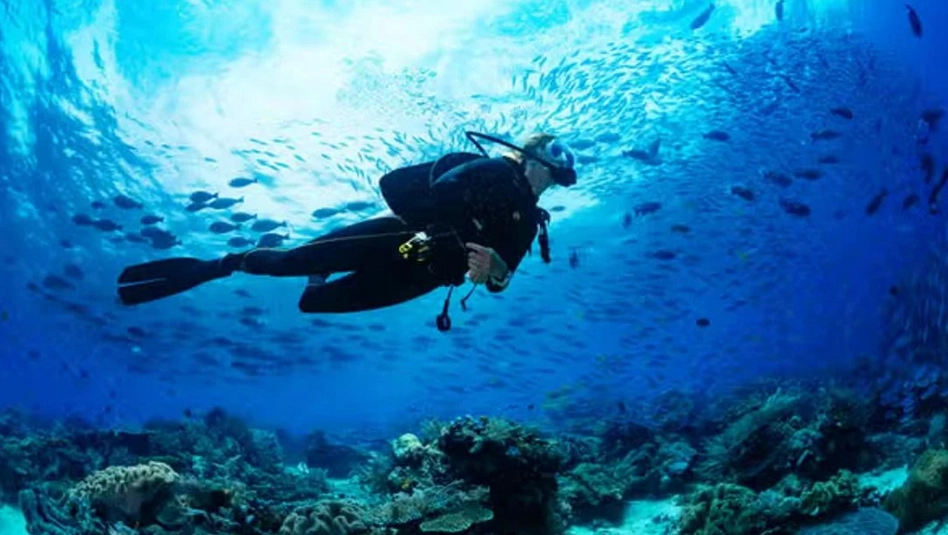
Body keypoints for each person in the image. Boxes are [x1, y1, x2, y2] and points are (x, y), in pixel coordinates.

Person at [116, 131, 578, 330]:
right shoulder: (492, 172)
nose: (560, 164)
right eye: (555, 151)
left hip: (428, 274)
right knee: (286, 263)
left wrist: (494, 270)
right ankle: (222, 264)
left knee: (317, 302)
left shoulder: (529, 223)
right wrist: (442, 230)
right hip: (402, 237)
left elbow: (502, 280)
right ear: (532, 153)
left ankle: (316, 278)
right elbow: (421, 188)